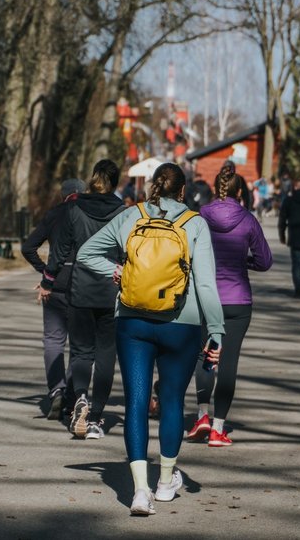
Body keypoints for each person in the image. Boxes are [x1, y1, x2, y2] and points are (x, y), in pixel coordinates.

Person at [77, 162, 224, 515]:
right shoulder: (195, 224)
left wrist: (116, 270)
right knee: (172, 401)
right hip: (182, 325)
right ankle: (166, 482)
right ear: (183, 191)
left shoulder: (131, 216)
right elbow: (205, 284)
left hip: (133, 322)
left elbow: (86, 254)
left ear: (153, 186)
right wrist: (217, 331)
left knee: (136, 402)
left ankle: (140, 491)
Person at [39, 160, 125, 440]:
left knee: (81, 352)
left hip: (80, 287)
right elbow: (129, 251)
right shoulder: (123, 213)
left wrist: (48, 280)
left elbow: (60, 251)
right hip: (112, 288)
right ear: (115, 182)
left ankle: (80, 398)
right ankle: (96, 417)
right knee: (106, 354)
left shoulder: (74, 209)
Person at [187, 165, 272, 447]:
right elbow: (264, 261)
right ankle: (218, 429)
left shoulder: (200, 217)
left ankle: (201, 416)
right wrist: (243, 261)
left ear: (215, 189)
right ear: (240, 192)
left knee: (206, 357)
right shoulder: (248, 220)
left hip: (206, 297)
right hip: (237, 301)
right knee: (228, 363)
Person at [21, 178, 85, 420]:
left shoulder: (54, 214)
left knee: (53, 339)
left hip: (55, 283)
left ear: (63, 195)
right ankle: (71, 395)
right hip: (84, 284)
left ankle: (56, 389)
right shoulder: (90, 213)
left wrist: (45, 271)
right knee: (80, 344)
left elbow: (28, 247)